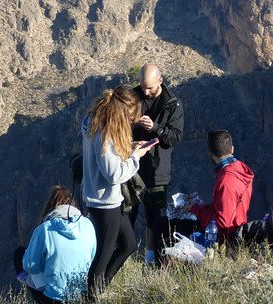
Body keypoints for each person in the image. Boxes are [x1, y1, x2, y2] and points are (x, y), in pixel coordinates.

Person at [81, 85, 157, 295]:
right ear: (122, 112)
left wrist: (131, 147)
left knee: (129, 244)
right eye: (131, 116)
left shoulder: (96, 123)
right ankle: (92, 296)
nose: (132, 121)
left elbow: (109, 157)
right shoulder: (104, 133)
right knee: (102, 259)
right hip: (104, 203)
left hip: (105, 200)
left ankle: (101, 288)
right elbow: (113, 174)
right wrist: (136, 157)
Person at [129, 63, 184, 264]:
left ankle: (151, 258)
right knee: (127, 213)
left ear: (160, 81)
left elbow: (176, 137)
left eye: (150, 87)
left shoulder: (172, 104)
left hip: (157, 170)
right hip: (131, 168)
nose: (145, 91)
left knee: (155, 217)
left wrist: (156, 128)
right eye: (142, 86)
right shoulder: (132, 98)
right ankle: (124, 257)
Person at [16, 185, 96, 303]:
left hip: (53, 298)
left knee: (19, 255)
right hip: (82, 295)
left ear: (51, 206)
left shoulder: (45, 229)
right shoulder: (88, 225)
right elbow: (93, 256)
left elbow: (30, 267)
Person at [183, 130, 254, 242]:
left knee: (165, 227)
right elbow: (224, 207)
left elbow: (222, 223)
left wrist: (195, 209)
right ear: (232, 149)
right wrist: (200, 207)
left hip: (225, 239)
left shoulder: (226, 180)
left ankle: (154, 258)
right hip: (238, 230)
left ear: (211, 154)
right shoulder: (240, 170)